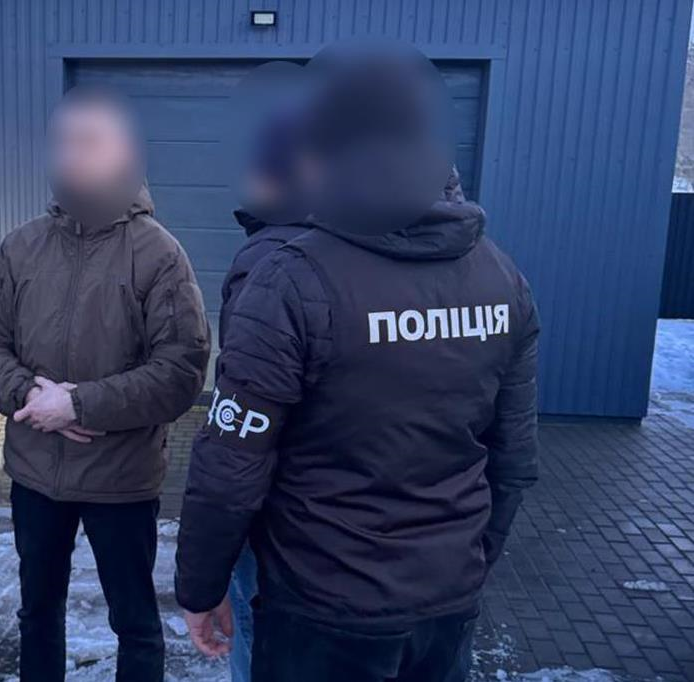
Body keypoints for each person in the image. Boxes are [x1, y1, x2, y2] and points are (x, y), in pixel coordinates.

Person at [176, 44, 540, 682]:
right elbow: (512, 456)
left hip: (322, 609)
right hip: (445, 604)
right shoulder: (502, 277)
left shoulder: (292, 278)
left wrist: (200, 587)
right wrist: (470, 560)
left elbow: (231, 463)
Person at [0, 87, 210, 682]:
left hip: (120, 480)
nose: (74, 156)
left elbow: (182, 370)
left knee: (135, 623)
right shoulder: (23, 246)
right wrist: (29, 395)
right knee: (37, 614)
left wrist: (80, 404)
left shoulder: (159, 255)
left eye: (90, 142)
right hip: (35, 476)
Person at [220, 107, 313, 682]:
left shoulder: (265, 261)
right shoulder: (369, 246)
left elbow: (242, 415)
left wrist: (204, 565)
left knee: (256, 633)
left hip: (278, 512)